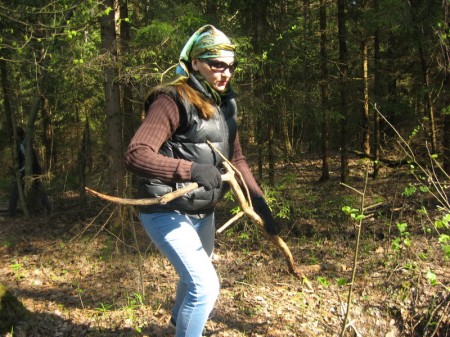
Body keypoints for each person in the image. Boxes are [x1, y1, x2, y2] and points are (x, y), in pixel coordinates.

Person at [125, 25, 280, 337]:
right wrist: (191, 170)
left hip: (202, 212)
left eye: (230, 65)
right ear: (195, 63)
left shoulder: (224, 105)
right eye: (217, 64)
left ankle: (176, 328)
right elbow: (136, 154)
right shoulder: (172, 99)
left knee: (192, 280)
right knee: (206, 287)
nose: (225, 73)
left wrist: (261, 204)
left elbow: (236, 160)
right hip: (165, 209)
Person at [8, 127, 51, 216]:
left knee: (16, 188)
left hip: (32, 171)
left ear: (18, 135)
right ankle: (48, 208)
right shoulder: (22, 143)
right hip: (32, 171)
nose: (13, 138)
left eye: (14, 136)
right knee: (39, 189)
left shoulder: (23, 144)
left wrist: (19, 170)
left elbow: (29, 161)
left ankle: (11, 212)